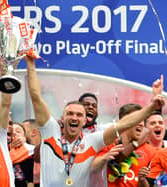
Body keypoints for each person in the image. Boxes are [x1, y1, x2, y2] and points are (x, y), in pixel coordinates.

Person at [24, 56, 164, 187]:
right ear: (62, 118)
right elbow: (36, 97)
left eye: (79, 115)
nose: (74, 117)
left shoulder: (92, 140)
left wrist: (152, 107)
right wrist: (30, 63)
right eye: (70, 114)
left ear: (85, 121)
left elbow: (124, 124)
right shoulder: (51, 133)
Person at [92, 103, 158, 187]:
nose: (141, 124)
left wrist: (142, 179)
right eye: (137, 119)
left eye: (142, 120)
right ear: (125, 122)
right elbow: (92, 168)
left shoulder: (149, 151)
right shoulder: (108, 144)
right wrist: (105, 158)